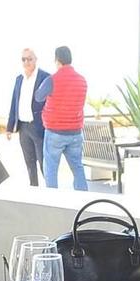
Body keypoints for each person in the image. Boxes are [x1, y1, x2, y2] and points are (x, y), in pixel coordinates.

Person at [38, 44, 88, 190]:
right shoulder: (82, 80)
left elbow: (39, 97)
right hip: (75, 132)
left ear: (57, 59)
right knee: (78, 168)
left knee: (51, 169)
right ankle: (83, 199)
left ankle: (54, 201)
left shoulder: (52, 79)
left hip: (55, 132)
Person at [5, 47, 50, 186]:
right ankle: (34, 190)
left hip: (39, 127)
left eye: (29, 59)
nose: (26, 62)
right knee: (29, 163)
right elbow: (14, 103)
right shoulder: (19, 79)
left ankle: (51, 192)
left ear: (36, 60)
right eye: (23, 59)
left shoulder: (45, 77)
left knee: (44, 163)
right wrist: (9, 127)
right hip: (23, 127)